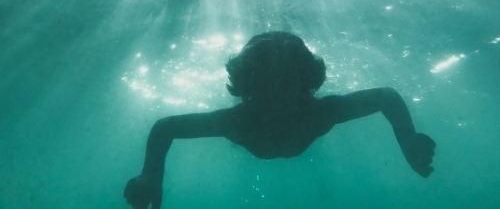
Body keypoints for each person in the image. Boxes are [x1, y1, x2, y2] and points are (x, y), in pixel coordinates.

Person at [124, 31, 436, 209]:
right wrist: (151, 175)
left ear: (306, 83)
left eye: (286, 82)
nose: (277, 96)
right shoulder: (238, 120)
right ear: (248, 87)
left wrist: (408, 140)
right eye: (266, 85)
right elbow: (166, 126)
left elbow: (386, 96)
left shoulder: (319, 112)